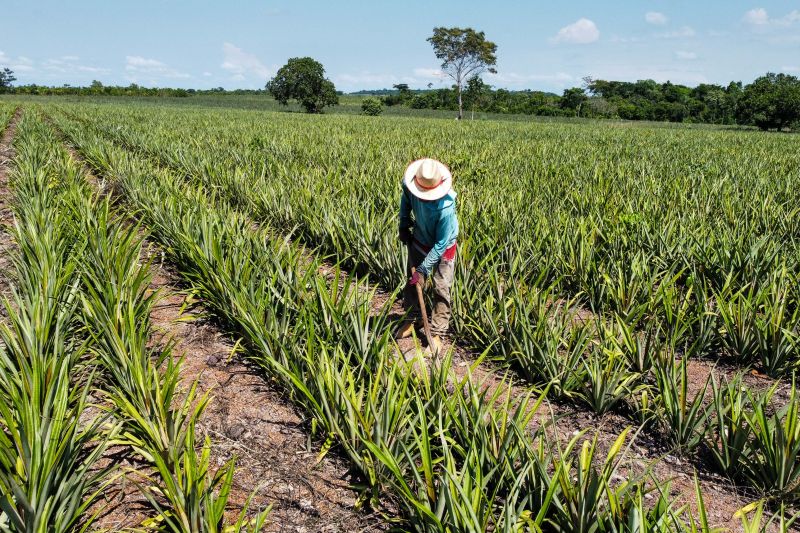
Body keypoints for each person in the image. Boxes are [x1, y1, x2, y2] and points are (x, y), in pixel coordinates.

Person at [396, 158, 459, 348]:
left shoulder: (446, 208)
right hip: (420, 238)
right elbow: (406, 200)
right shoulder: (411, 186)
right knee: (412, 282)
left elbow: (441, 244)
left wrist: (423, 269)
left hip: (444, 247)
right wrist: (403, 223)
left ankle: (438, 331)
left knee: (441, 287)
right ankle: (413, 318)